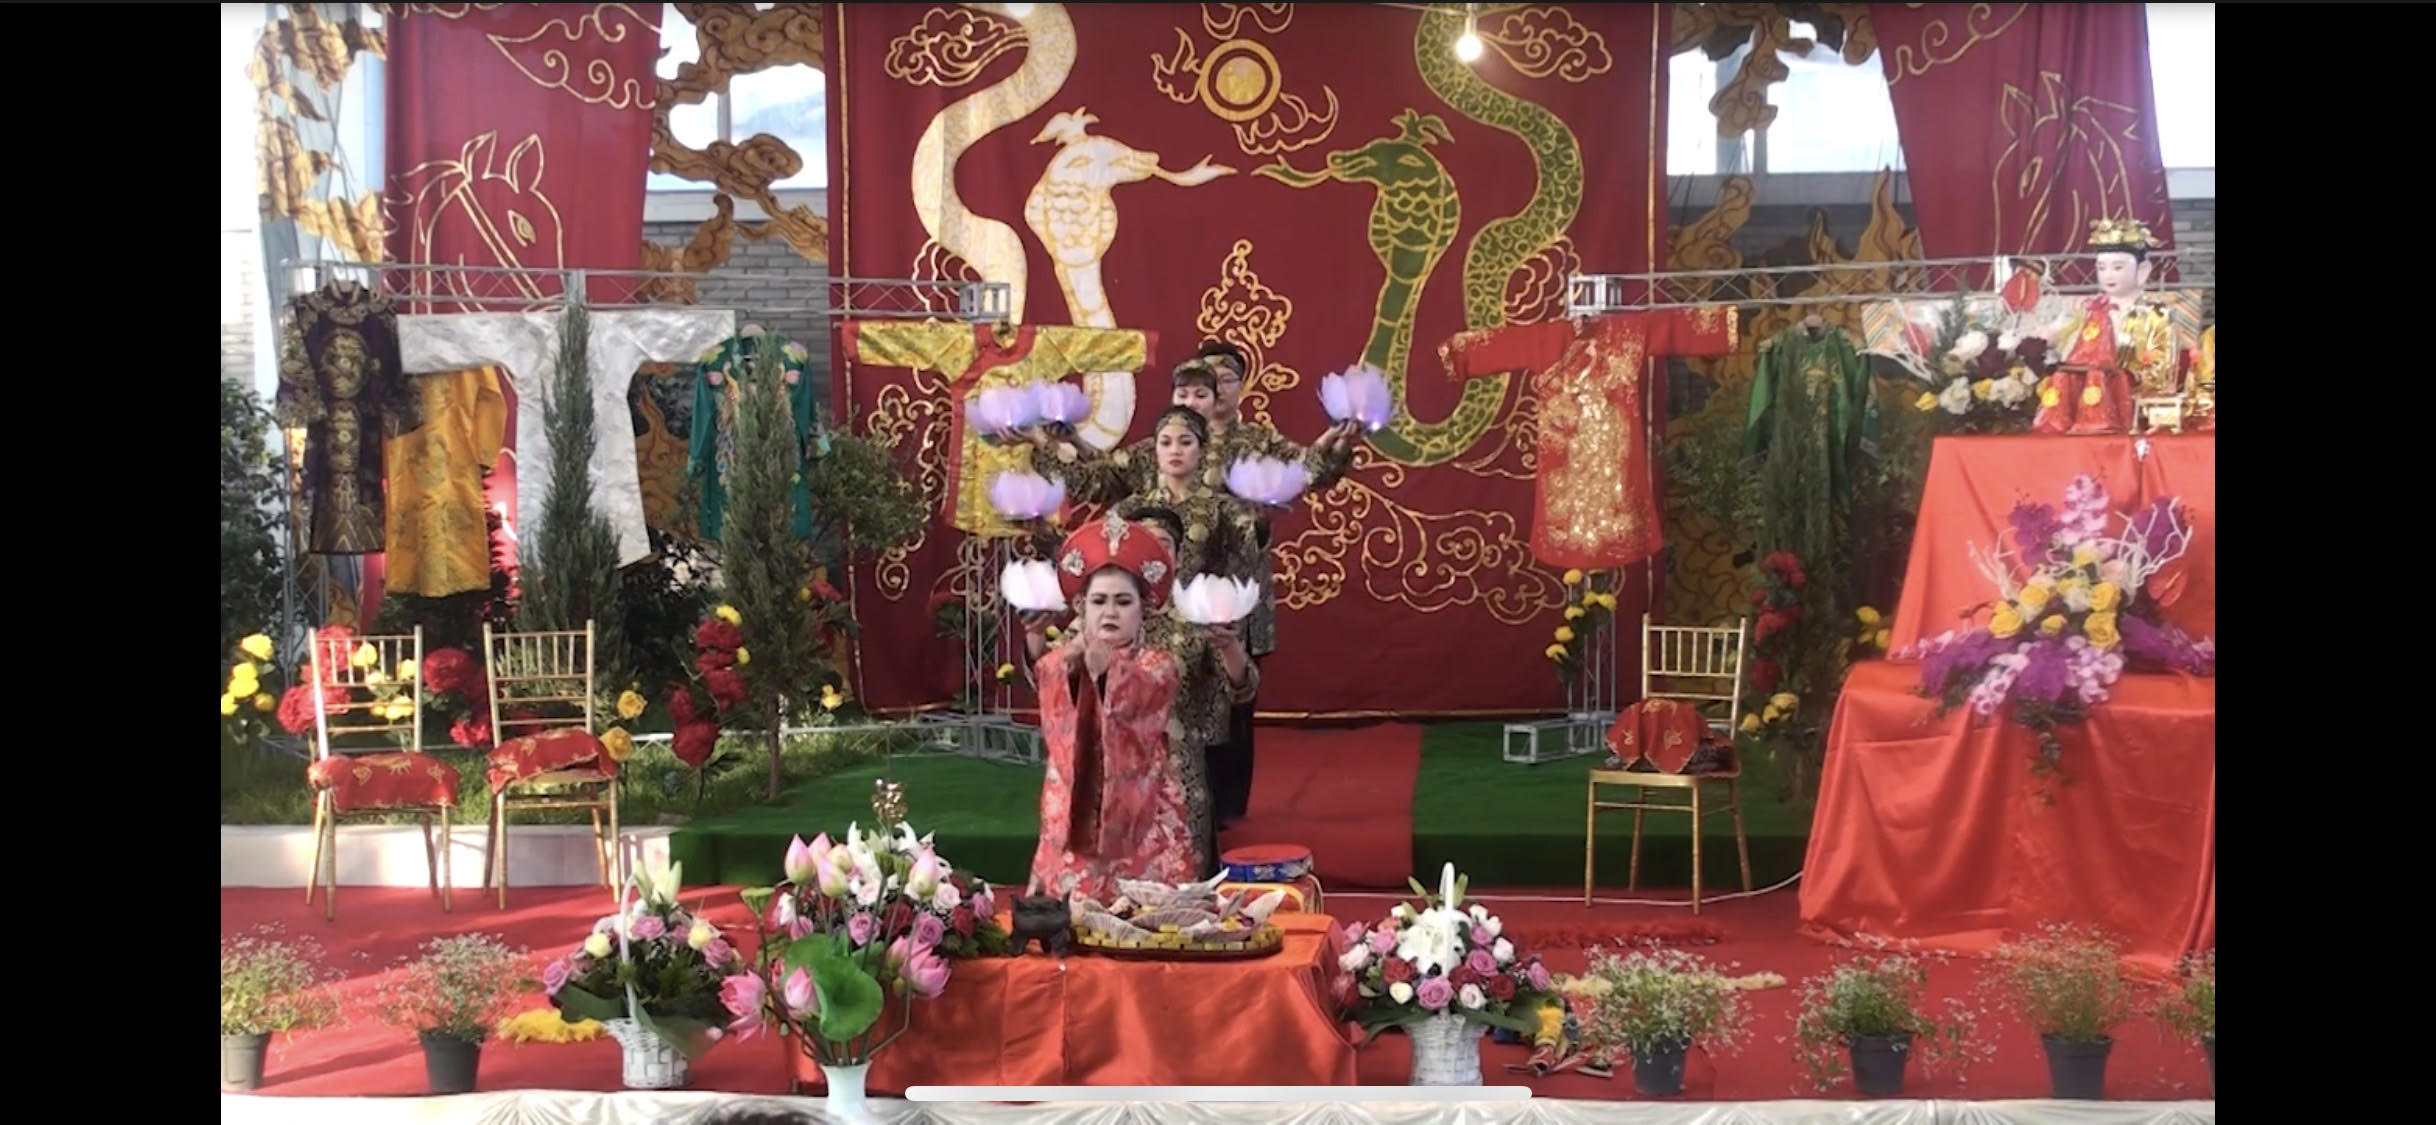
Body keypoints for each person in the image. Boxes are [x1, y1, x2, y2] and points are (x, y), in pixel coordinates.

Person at [1023, 513, 1249, 901]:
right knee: (1070, 915)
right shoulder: (1064, 659)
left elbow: (1140, 696)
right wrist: (1052, 654)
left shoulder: (1158, 665)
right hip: (1074, 806)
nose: (1110, 612)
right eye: (1099, 601)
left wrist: (1108, 668)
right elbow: (1051, 689)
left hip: (1144, 809)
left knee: (1147, 914)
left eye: (1123, 602)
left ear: (1143, 608)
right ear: (1081, 606)